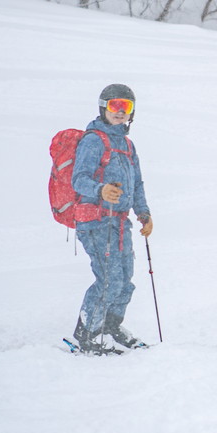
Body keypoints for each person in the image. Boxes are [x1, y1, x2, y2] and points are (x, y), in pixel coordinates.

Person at [70, 83, 153, 353]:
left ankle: (111, 325)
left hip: (119, 222)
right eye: (115, 105)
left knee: (125, 278)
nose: (120, 112)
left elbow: (137, 183)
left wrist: (144, 213)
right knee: (109, 279)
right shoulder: (94, 140)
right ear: (103, 107)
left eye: (125, 107)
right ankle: (87, 333)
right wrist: (100, 190)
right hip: (94, 221)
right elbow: (78, 179)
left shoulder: (127, 145)